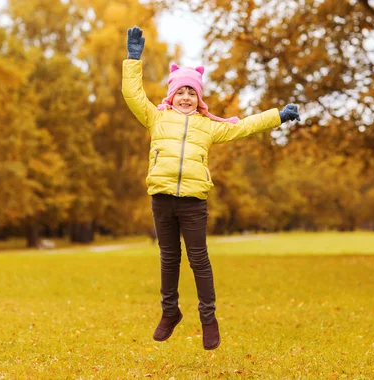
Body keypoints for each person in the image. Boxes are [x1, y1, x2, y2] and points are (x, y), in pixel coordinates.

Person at [122, 26, 300, 350]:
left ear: (199, 97)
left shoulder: (208, 127)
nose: (187, 97)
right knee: (168, 258)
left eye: (193, 92)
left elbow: (244, 126)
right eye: (181, 92)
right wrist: (133, 59)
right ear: (171, 95)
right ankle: (170, 312)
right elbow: (133, 95)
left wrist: (278, 117)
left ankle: (208, 318)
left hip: (193, 201)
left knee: (199, 259)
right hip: (162, 197)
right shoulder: (156, 119)